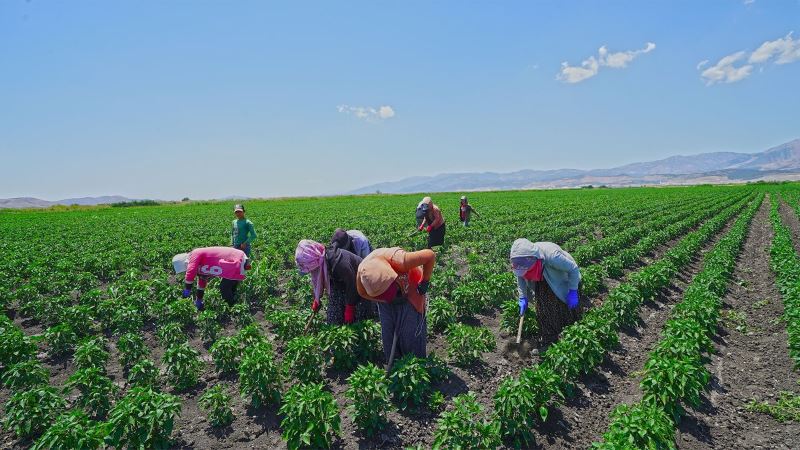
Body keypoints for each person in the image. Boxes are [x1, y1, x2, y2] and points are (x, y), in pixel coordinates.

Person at [356, 247, 435, 362]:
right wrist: (384, 300)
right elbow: (362, 292)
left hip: (411, 290)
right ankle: (394, 364)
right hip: (385, 300)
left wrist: (425, 282)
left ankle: (416, 363)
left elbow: (430, 255)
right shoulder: (364, 273)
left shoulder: (401, 261)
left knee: (411, 332)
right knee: (389, 332)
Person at [510, 238, 585, 349]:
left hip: (560, 276)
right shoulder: (522, 260)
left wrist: (573, 290)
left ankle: (572, 332)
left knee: (567, 306)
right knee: (544, 308)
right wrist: (523, 297)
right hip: (541, 279)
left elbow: (573, 269)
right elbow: (520, 276)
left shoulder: (552, 256)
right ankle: (550, 338)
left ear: (534, 259)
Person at [295, 240, 377, 325]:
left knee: (358, 319)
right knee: (333, 317)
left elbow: (352, 286)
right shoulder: (323, 261)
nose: (312, 272)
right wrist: (317, 299)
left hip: (360, 285)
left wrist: (350, 308)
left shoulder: (339, 264)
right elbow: (319, 279)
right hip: (341, 283)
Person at [172, 246, 251, 311]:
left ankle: (232, 308)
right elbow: (202, 281)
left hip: (235, 258)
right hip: (235, 261)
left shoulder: (195, 254)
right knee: (230, 287)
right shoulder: (200, 265)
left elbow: (191, 271)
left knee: (224, 287)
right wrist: (199, 299)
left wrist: (187, 290)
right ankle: (235, 306)